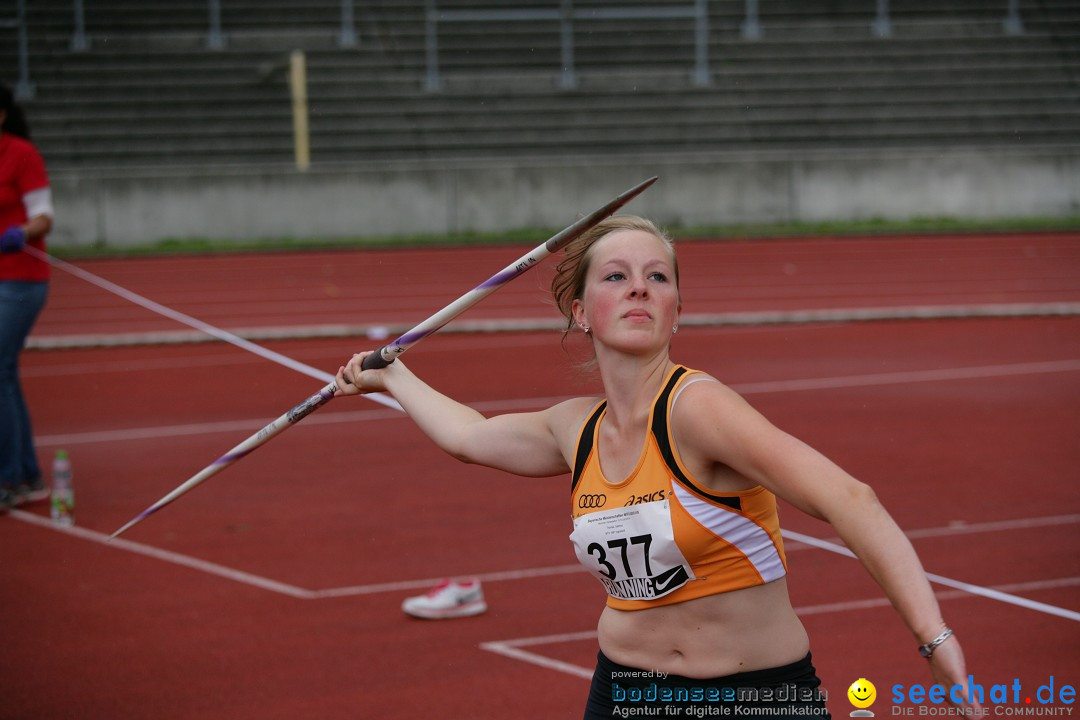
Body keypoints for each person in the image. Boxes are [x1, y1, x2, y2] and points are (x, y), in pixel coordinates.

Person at [333, 215, 978, 718]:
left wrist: (934, 638)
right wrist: (394, 378)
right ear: (580, 313)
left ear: (676, 309)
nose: (639, 286)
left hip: (752, 698)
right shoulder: (574, 427)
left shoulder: (698, 410)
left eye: (657, 277)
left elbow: (850, 498)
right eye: (615, 276)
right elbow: (470, 436)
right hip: (626, 694)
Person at [0, 84, 53, 512]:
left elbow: (43, 215)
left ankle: (12, 477)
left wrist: (21, 233)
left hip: (20, 279)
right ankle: (26, 473)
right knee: (5, 376)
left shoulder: (21, 153)